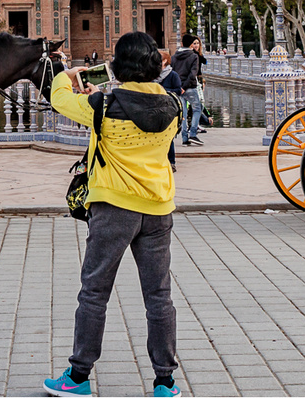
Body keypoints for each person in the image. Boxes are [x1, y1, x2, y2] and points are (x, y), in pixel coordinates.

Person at [44, 31, 182, 398]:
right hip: (158, 209)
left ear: (118, 66)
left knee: (94, 293)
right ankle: (165, 382)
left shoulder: (102, 105)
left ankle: (78, 378)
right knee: (159, 297)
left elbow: (58, 99)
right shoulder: (173, 105)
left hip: (113, 209)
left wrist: (67, 74)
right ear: (154, 65)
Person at [171, 34, 204, 147]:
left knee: (183, 113)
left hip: (179, 89)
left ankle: (185, 139)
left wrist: (179, 87)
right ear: (190, 44)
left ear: (181, 44)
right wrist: (184, 87)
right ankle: (193, 134)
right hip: (189, 87)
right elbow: (192, 74)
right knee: (197, 109)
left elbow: (173, 73)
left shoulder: (174, 56)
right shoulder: (193, 56)